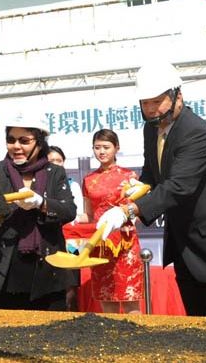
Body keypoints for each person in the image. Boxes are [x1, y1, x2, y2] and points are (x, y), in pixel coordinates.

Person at [98, 61, 206, 317]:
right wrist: (141, 186)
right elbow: (153, 170)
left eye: (157, 101)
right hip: (187, 252)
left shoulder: (195, 132)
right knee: (196, 330)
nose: (151, 109)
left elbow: (179, 186)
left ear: (177, 96)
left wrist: (128, 211)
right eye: (145, 103)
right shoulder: (152, 129)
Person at [0, 112, 78, 310]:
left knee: (50, 326)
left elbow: (69, 210)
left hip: (47, 267)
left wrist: (42, 203)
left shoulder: (55, 172)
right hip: (7, 266)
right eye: (11, 140)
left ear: (40, 143)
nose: (16, 146)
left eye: (24, 141)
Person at [83, 129, 142, 314]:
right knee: (107, 300)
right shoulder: (89, 180)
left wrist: (126, 220)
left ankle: (137, 333)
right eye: (97, 147)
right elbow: (89, 215)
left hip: (126, 242)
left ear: (117, 148)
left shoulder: (129, 176)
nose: (101, 152)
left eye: (106, 147)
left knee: (130, 298)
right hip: (101, 243)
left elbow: (138, 211)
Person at [47, 146, 87, 223]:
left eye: (59, 161)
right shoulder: (40, 184)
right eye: (51, 161)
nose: (56, 164)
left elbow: (78, 213)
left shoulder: (73, 186)